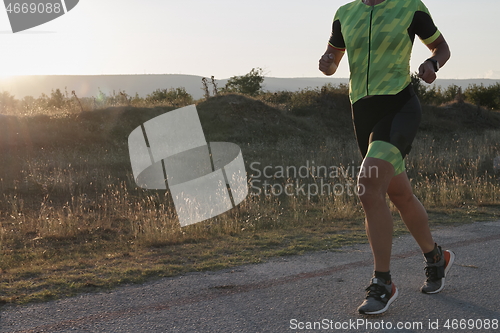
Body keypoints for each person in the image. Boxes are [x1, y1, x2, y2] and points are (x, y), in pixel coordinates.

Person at [319, 0, 454, 315]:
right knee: (400, 195)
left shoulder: (409, 7)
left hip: (398, 107)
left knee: (367, 186)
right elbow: (331, 62)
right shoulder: (345, 14)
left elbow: (441, 48)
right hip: (362, 113)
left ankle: (383, 283)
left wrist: (432, 64)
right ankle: (437, 258)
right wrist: (326, 61)